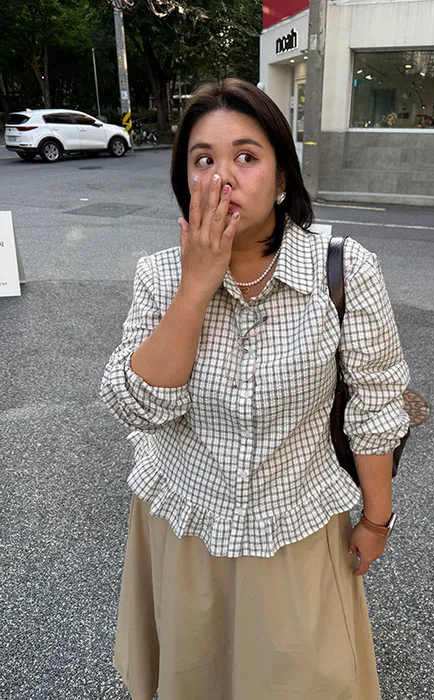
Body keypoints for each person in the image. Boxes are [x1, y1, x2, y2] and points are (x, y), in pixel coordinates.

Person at [100, 78, 410, 700]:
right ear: (185, 181)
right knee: (197, 674)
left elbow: (376, 406)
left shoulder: (344, 270)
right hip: (185, 521)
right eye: (203, 160)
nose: (222, 178)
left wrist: (376, 521)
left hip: (297, 526)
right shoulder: (160, 275)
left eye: (246, 156)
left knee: (302, 679)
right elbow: (138, 407)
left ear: (282, 176)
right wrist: (196, 286)